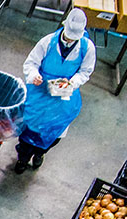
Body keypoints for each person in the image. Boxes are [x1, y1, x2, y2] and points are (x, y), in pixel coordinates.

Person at [15, 9, 96, 174]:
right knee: (30, 126)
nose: (70, 40)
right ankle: (23, 158)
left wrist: (72, 82)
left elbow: (85, 72)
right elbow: (31, 63)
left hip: (63, 93)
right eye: (68, 36)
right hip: (39, 90)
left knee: (54, 131)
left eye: (74, 38)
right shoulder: (48, 42)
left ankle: (40, 153)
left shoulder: (87, 48)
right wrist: (34, 75)